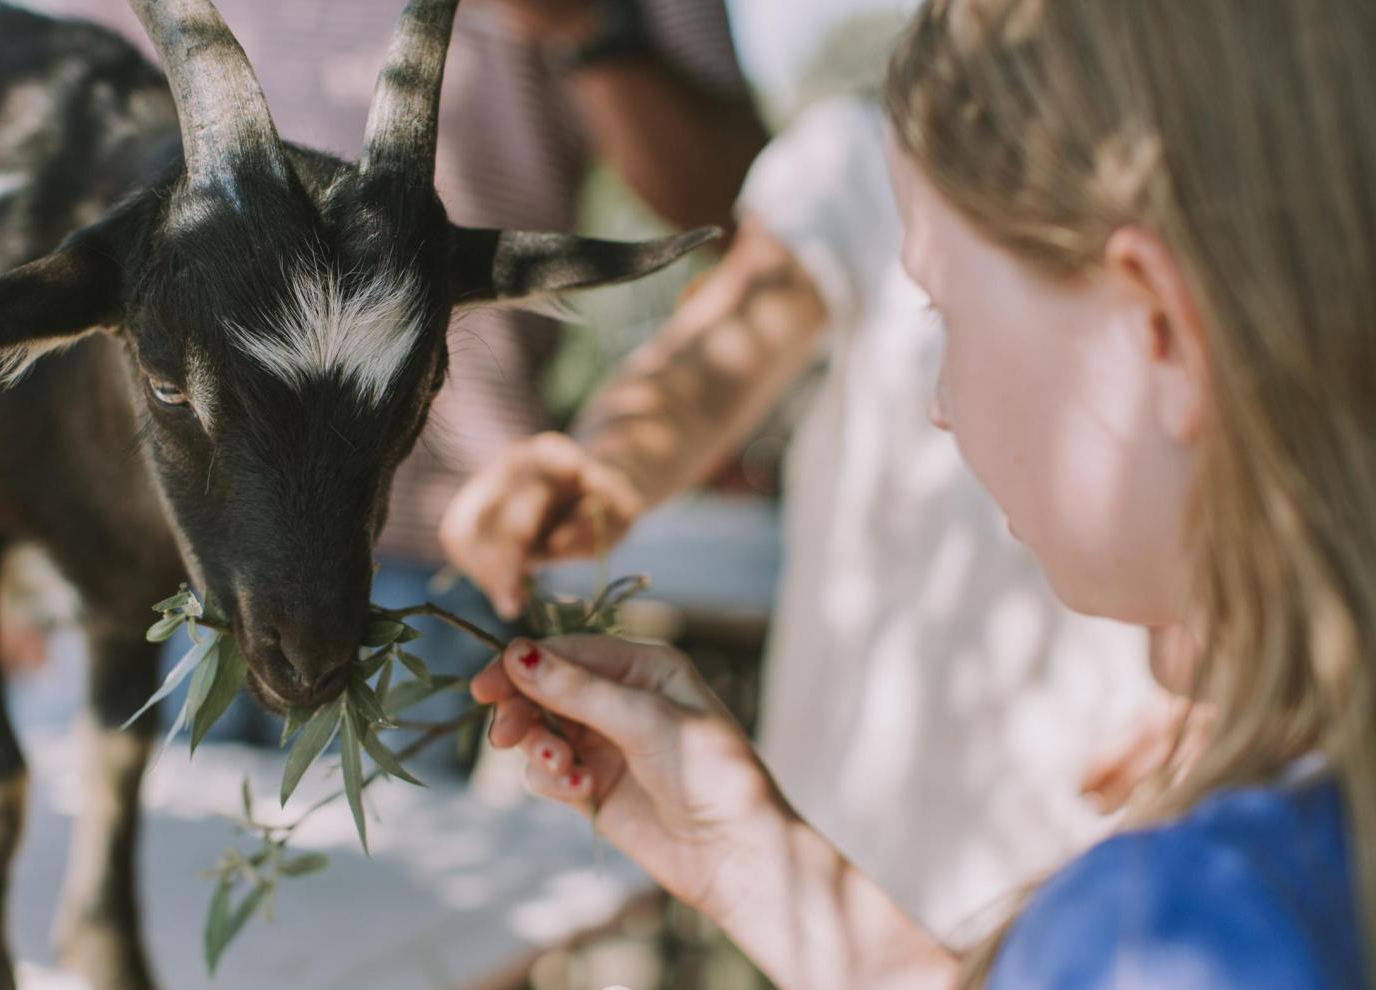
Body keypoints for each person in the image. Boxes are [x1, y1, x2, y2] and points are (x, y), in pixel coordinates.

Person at [466, 0, 1376, 986]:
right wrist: (745, 856)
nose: (938, 405)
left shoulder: (1165, 926)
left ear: (1161, 331)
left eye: (943, 312)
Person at [441, 18, 1157, 938]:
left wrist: (1248, 694)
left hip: (1117, 810)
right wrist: (604, 466)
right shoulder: (871, 148)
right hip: (869, 817)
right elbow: (724, 349)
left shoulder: (1238, 177)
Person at [27, 0, 765, 761]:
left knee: (389, 868)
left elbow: (749, 203)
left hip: (429, 554)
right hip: (151, 558)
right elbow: (55, 156)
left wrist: (590, 23)